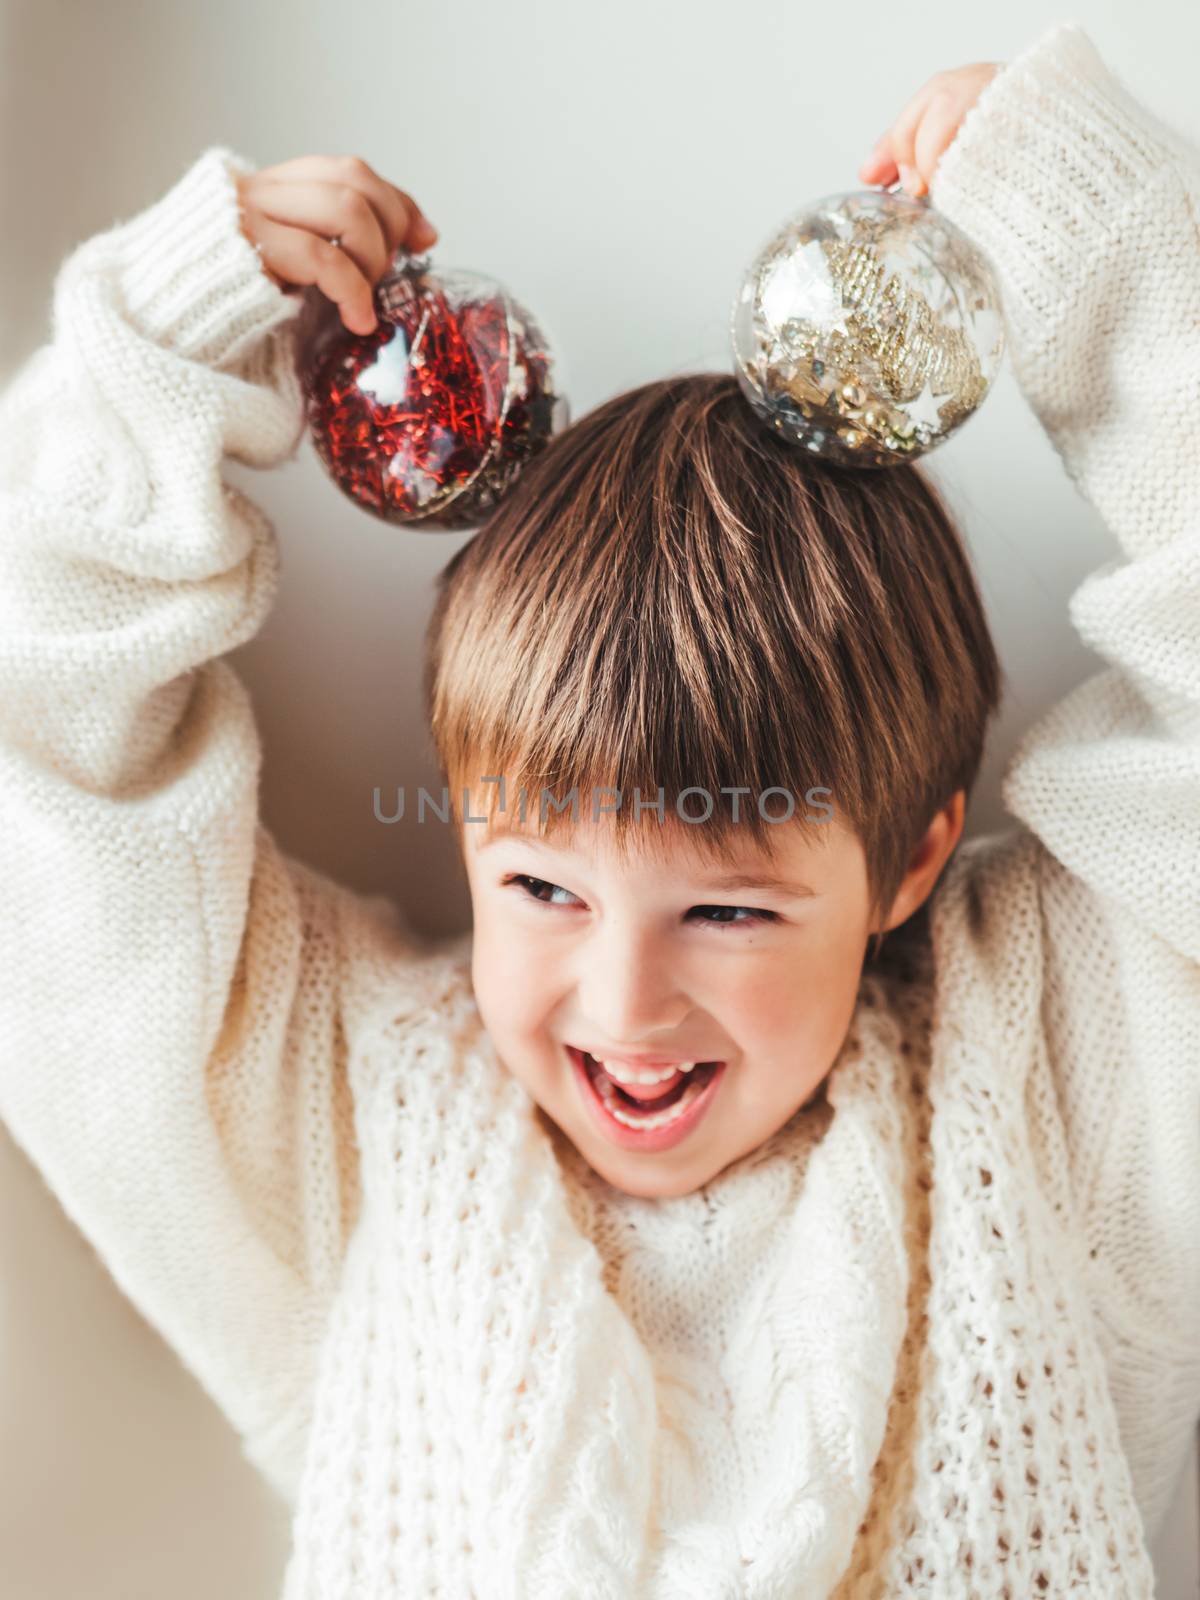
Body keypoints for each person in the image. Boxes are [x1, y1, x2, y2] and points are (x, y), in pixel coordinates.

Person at [1, 19, 1196, 1597]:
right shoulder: (339, 1130)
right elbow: (50, 786)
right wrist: (153, 347)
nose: (622, 1003)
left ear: (909, 859)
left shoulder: (1055, 1079)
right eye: (544, 891)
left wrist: (1095, 239)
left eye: (728, 908)